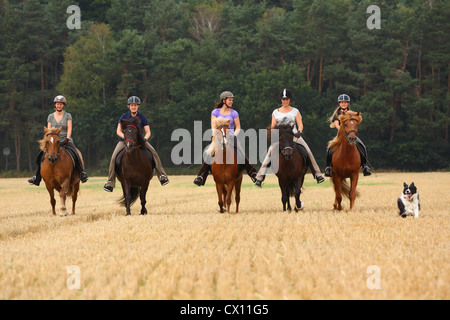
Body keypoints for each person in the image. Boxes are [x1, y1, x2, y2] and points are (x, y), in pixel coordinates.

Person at [254, 89, 325, 187]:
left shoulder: (295, 111)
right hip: (281, 138)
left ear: (290, 100)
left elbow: (300, 124)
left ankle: (318, 174)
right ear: (281, 100)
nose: (285, 101)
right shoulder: (275, 112)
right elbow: (273, 126)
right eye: (283, 99)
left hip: (294, 136)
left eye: (286, 99)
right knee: (270, 152)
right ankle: (260, 177)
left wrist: (299, 132)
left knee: (308, 151)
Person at [103, 96, 169, 192]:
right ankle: (110, 182)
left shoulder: (142, 117)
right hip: (124, 141)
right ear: (129, 106)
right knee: (114, 157)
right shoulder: (124, 117)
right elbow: (118, 131)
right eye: (132, 105)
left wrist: (144, 140)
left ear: (138, 106)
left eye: (135, 105)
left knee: (154, 153)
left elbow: (148, 132)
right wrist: (126, 139)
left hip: (139, 141)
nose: (133, 107)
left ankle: (162, 176)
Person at [193, 91, 258, 186]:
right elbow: (213, 126)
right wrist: (216, 136)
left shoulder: (234, 113)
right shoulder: (215, 112)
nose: (231, 102)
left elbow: (238, 127)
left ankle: (252, 173)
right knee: (209, 154)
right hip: (218, 136)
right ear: (224, 101)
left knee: (240, 153)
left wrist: (233, 135)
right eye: (229, 100)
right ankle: (201, 176)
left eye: (232, 100)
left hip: (231, 136)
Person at [28, 95, 88, 185]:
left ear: (63, 105)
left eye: (60, 104)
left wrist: (67, 138)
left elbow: (69, 128)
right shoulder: (50, 116)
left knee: (76, 153)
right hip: (53, 141)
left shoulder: (68, 115)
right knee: (41, 155)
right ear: (55, 105)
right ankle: (36, 176)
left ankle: (82, 173)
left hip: (65, 140)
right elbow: (48, 130)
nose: (59, 105)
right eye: (57, 104)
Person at [324, 94, 371, 177]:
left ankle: (365, 166)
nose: (343, 104)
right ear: (339, 104)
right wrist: (342, 131)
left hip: (351, 134)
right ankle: (328, 167)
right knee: (330, 149)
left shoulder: (351, 113)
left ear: (348, 103)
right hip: (341, 135)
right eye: (342, 102)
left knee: (362, 146)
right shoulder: (337, 114)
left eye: (345, 102)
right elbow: (337, 124)